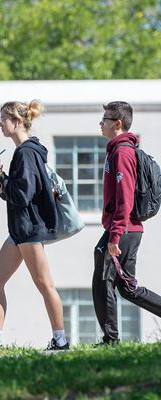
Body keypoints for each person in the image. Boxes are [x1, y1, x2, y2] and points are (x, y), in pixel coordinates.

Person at [0, 100, 69, 350]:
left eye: (3, 118)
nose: (0, 123)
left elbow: (23, 194)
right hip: (20, 230)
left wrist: (1, 176)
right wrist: (1, 188)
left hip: (30, 229)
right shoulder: (26, 151)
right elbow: (20, 192)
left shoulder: (26, 152)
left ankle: (60, 340)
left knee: (45, 284)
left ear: (17, 121)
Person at [93, 101, 161, 346]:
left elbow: (125, 197)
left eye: (105, 119)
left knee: (103, 280)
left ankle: (111, 340)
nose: (101, 123)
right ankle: (110, 338)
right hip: (128, 229)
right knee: (128, 288)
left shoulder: (122, 152)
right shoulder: (117, 150)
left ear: (117, 124)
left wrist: (114, 235)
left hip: (123, 228)